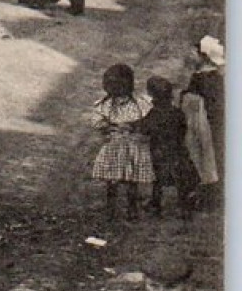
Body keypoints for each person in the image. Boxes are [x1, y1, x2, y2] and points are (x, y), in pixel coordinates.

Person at [91, 63, 153, 220]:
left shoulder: (139, 104)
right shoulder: (105, 104)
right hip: (114, 146)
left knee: (131, 180)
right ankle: (111, 210)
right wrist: (109, 126)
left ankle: (131, 209)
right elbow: (97, 122)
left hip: (132, 146)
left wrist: (134, 126)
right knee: (112, 181)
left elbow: (147, 121)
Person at [143, 76, 197, 220]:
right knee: (180, 179)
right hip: (177, 149)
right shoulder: (177, 112)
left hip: (159, 151)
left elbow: (146, 128)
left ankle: (155, 205)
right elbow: (183, 128)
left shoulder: (154, 113)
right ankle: (184, 207)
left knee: (158, 180)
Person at [181, 37, 224, 205]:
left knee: (204, 155)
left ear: (203, 56)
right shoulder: (217, 77)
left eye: (195, 52)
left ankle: (206, 192)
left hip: (202, 121)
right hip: (213, 120)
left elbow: (192, 102)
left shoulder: (200, 79)